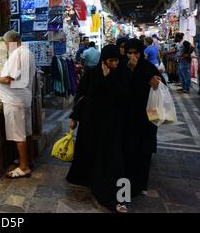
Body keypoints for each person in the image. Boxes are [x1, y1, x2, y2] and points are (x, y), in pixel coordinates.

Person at [67, 45, 129, 212]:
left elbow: (122, 98)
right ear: (104, 60)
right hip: (91, 121)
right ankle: (87, 178)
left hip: (111, 123)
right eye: (111, 60)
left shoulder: (120, 74)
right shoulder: (92, 74)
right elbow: (81, 95)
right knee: (90, 149)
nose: (114, 63)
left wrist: (109, 79)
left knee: (111, 156)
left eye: (116, 60)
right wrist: (74, 118)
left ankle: (118, 195)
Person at [121, 38, 162, 199]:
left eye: (135, 53)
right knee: (128, 152)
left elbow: (160, 84)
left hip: (146, 119)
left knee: (144, 153)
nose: (132, 56)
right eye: (129, 52)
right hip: (128, 118)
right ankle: (127, 186)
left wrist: (156, 84)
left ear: (141, 53)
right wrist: (129, 71)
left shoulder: (148, 67)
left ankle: (141, 184)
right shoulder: (122, 68)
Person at [0, 30, 36, 179]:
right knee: (26, 132)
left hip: (14, 100)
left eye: (6, 44)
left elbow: (7, 79)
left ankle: (23, 167)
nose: (5, 47)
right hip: (24, 98)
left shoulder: (18, 54)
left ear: (12, 42)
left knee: (18, 135)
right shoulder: (27, 52)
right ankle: (28, 160)